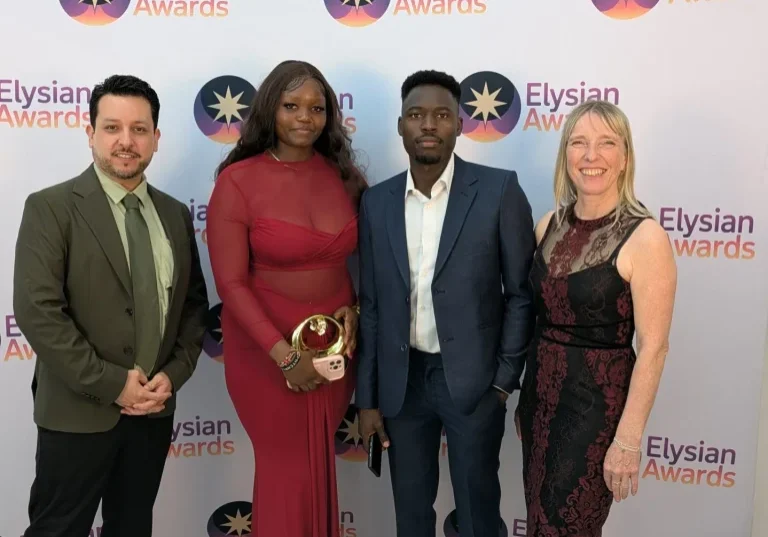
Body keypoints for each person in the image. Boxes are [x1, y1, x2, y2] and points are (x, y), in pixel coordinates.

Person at [13, 74, 209, 537]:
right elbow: (39, 312)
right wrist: (113, 384)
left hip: (152, 413)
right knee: (57, 529)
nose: (126, 141)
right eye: (112, 128)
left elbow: (194, 308)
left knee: (133, 527)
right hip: (77, 414)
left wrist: (172, 375)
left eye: (139, 129)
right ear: (90, 133)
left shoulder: (175, 214)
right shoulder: (51, 207)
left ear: (156, 139)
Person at [356, 70, 536, 537]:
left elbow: (520, 294)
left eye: (441, 115)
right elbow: (371, 305)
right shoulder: (376, 203)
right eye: (416, 115)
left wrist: (502, 383)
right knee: (411, 515)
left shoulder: (498, 191)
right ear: (401, 125)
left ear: (459, 123)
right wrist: (369, 399)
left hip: (474, 385)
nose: (428, 125)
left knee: (478, 511)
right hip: (403, 386)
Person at [206, 60, 367, 537]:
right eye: (291, 105)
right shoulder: (237, 182)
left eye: (317, 108)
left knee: (317, 467)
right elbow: (230, 284)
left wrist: (355, 312)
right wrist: (285, 356)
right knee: (286, 470)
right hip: (267, 359)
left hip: (335, 356)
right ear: (269, 110)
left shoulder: (346, 178)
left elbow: (364, 266)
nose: (305, 117)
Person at [515, 100, 677, 536]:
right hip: (538, 405)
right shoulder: (548, 225)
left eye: (607, 143)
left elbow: (654, 348)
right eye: (579, 143)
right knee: (537, 522)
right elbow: (536, 319)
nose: (591, 156)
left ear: (625, 157)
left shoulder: (646, 238)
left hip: (594, 416)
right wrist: (525, 397)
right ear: (565, 154)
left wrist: (627, 439)